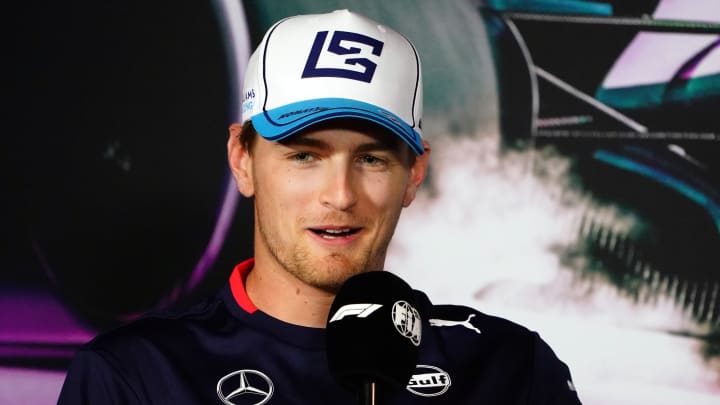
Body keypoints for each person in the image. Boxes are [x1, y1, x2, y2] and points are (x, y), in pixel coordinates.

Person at [57, 9, 582, 404]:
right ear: (243, 160)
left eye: (372, 159)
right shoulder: (135, 377)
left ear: (413, 174)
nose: (340, 194)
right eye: (305, 155)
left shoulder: (508, 368)